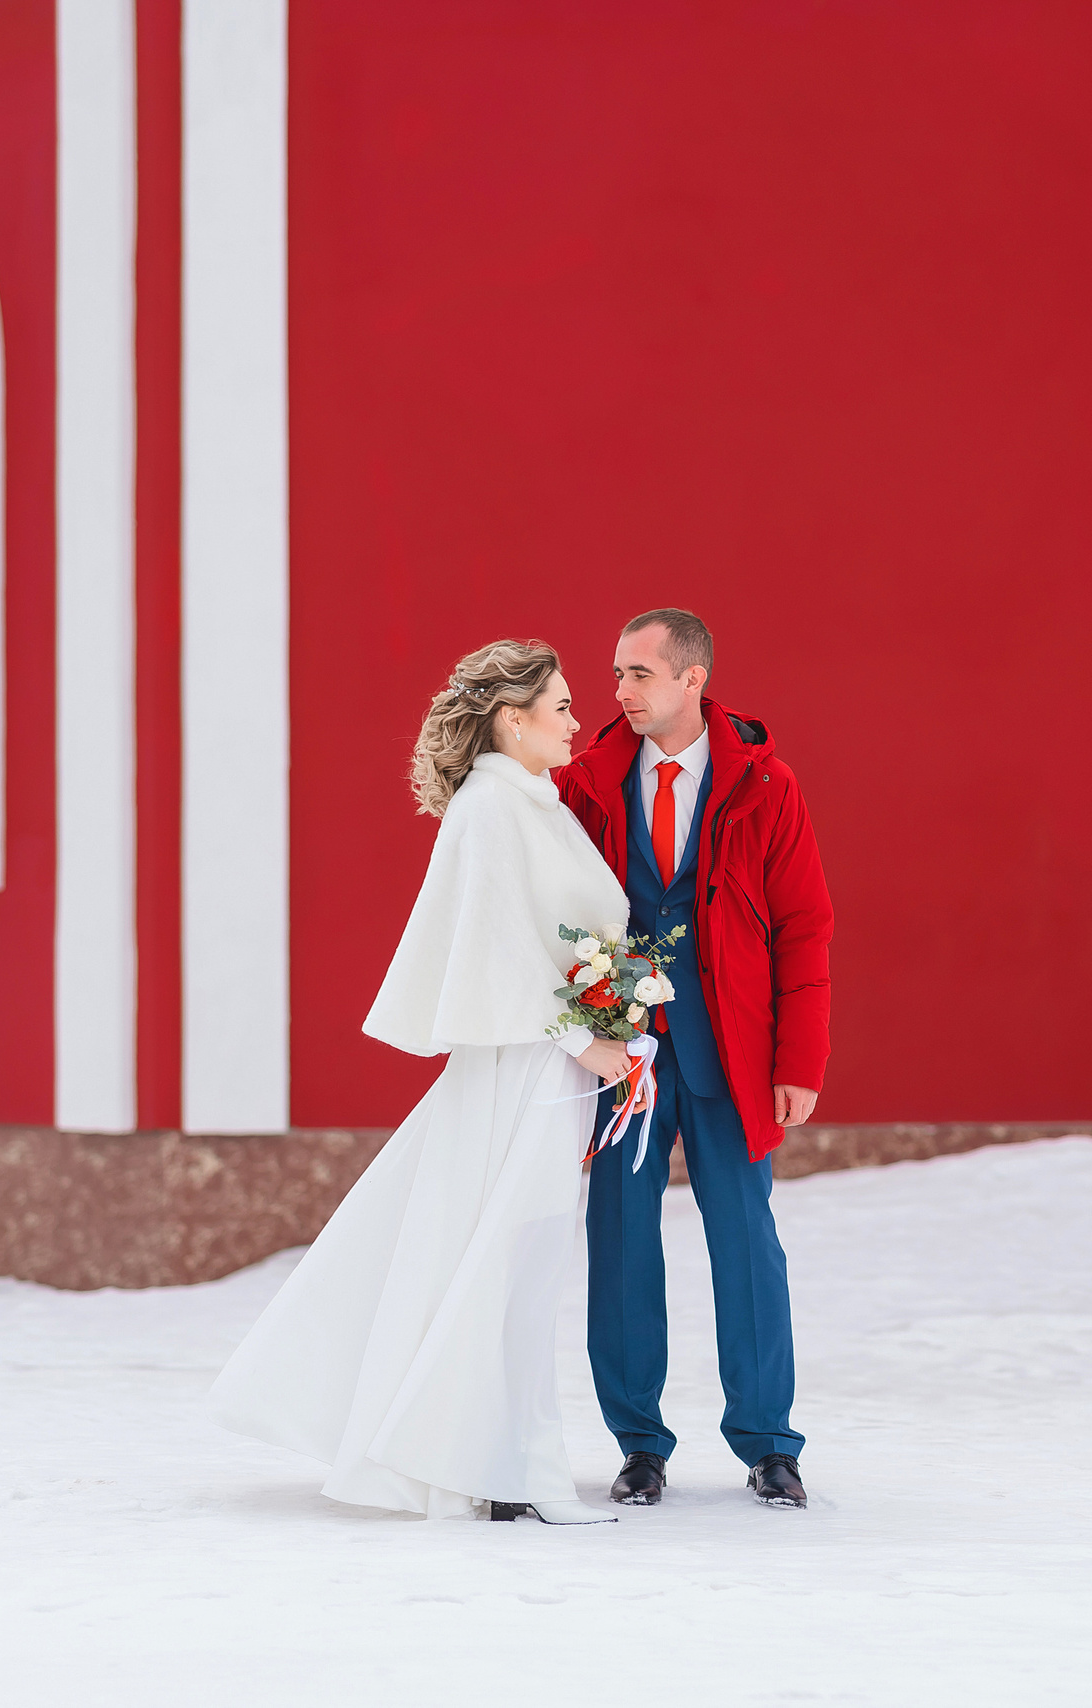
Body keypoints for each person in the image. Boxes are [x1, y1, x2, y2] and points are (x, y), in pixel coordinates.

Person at [208, 639, 637, 1525]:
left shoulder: (535, 802)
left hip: (549, 1061)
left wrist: (612, 1020)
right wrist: (586, 1039)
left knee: (519, 1257)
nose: (575, 719)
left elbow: (553, 938)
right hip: (522, 1063)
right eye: (559, 706)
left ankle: (494, 1456)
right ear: (512, 720)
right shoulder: (490, 808)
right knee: (504, 1253)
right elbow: (497, 949)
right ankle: (498, 1468)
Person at [554, 608, 833, 1509]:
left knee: (746, 1240)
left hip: (733, 1052)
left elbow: (803, 926)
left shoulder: (767, 783)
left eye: (639, 674)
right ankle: (639, 1444)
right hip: (623, 1053)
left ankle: (769, 1442)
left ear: (692, 679)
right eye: (617, 675)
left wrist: (801, 1060)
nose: (621, 692)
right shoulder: (587, 782)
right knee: (622, 1240)